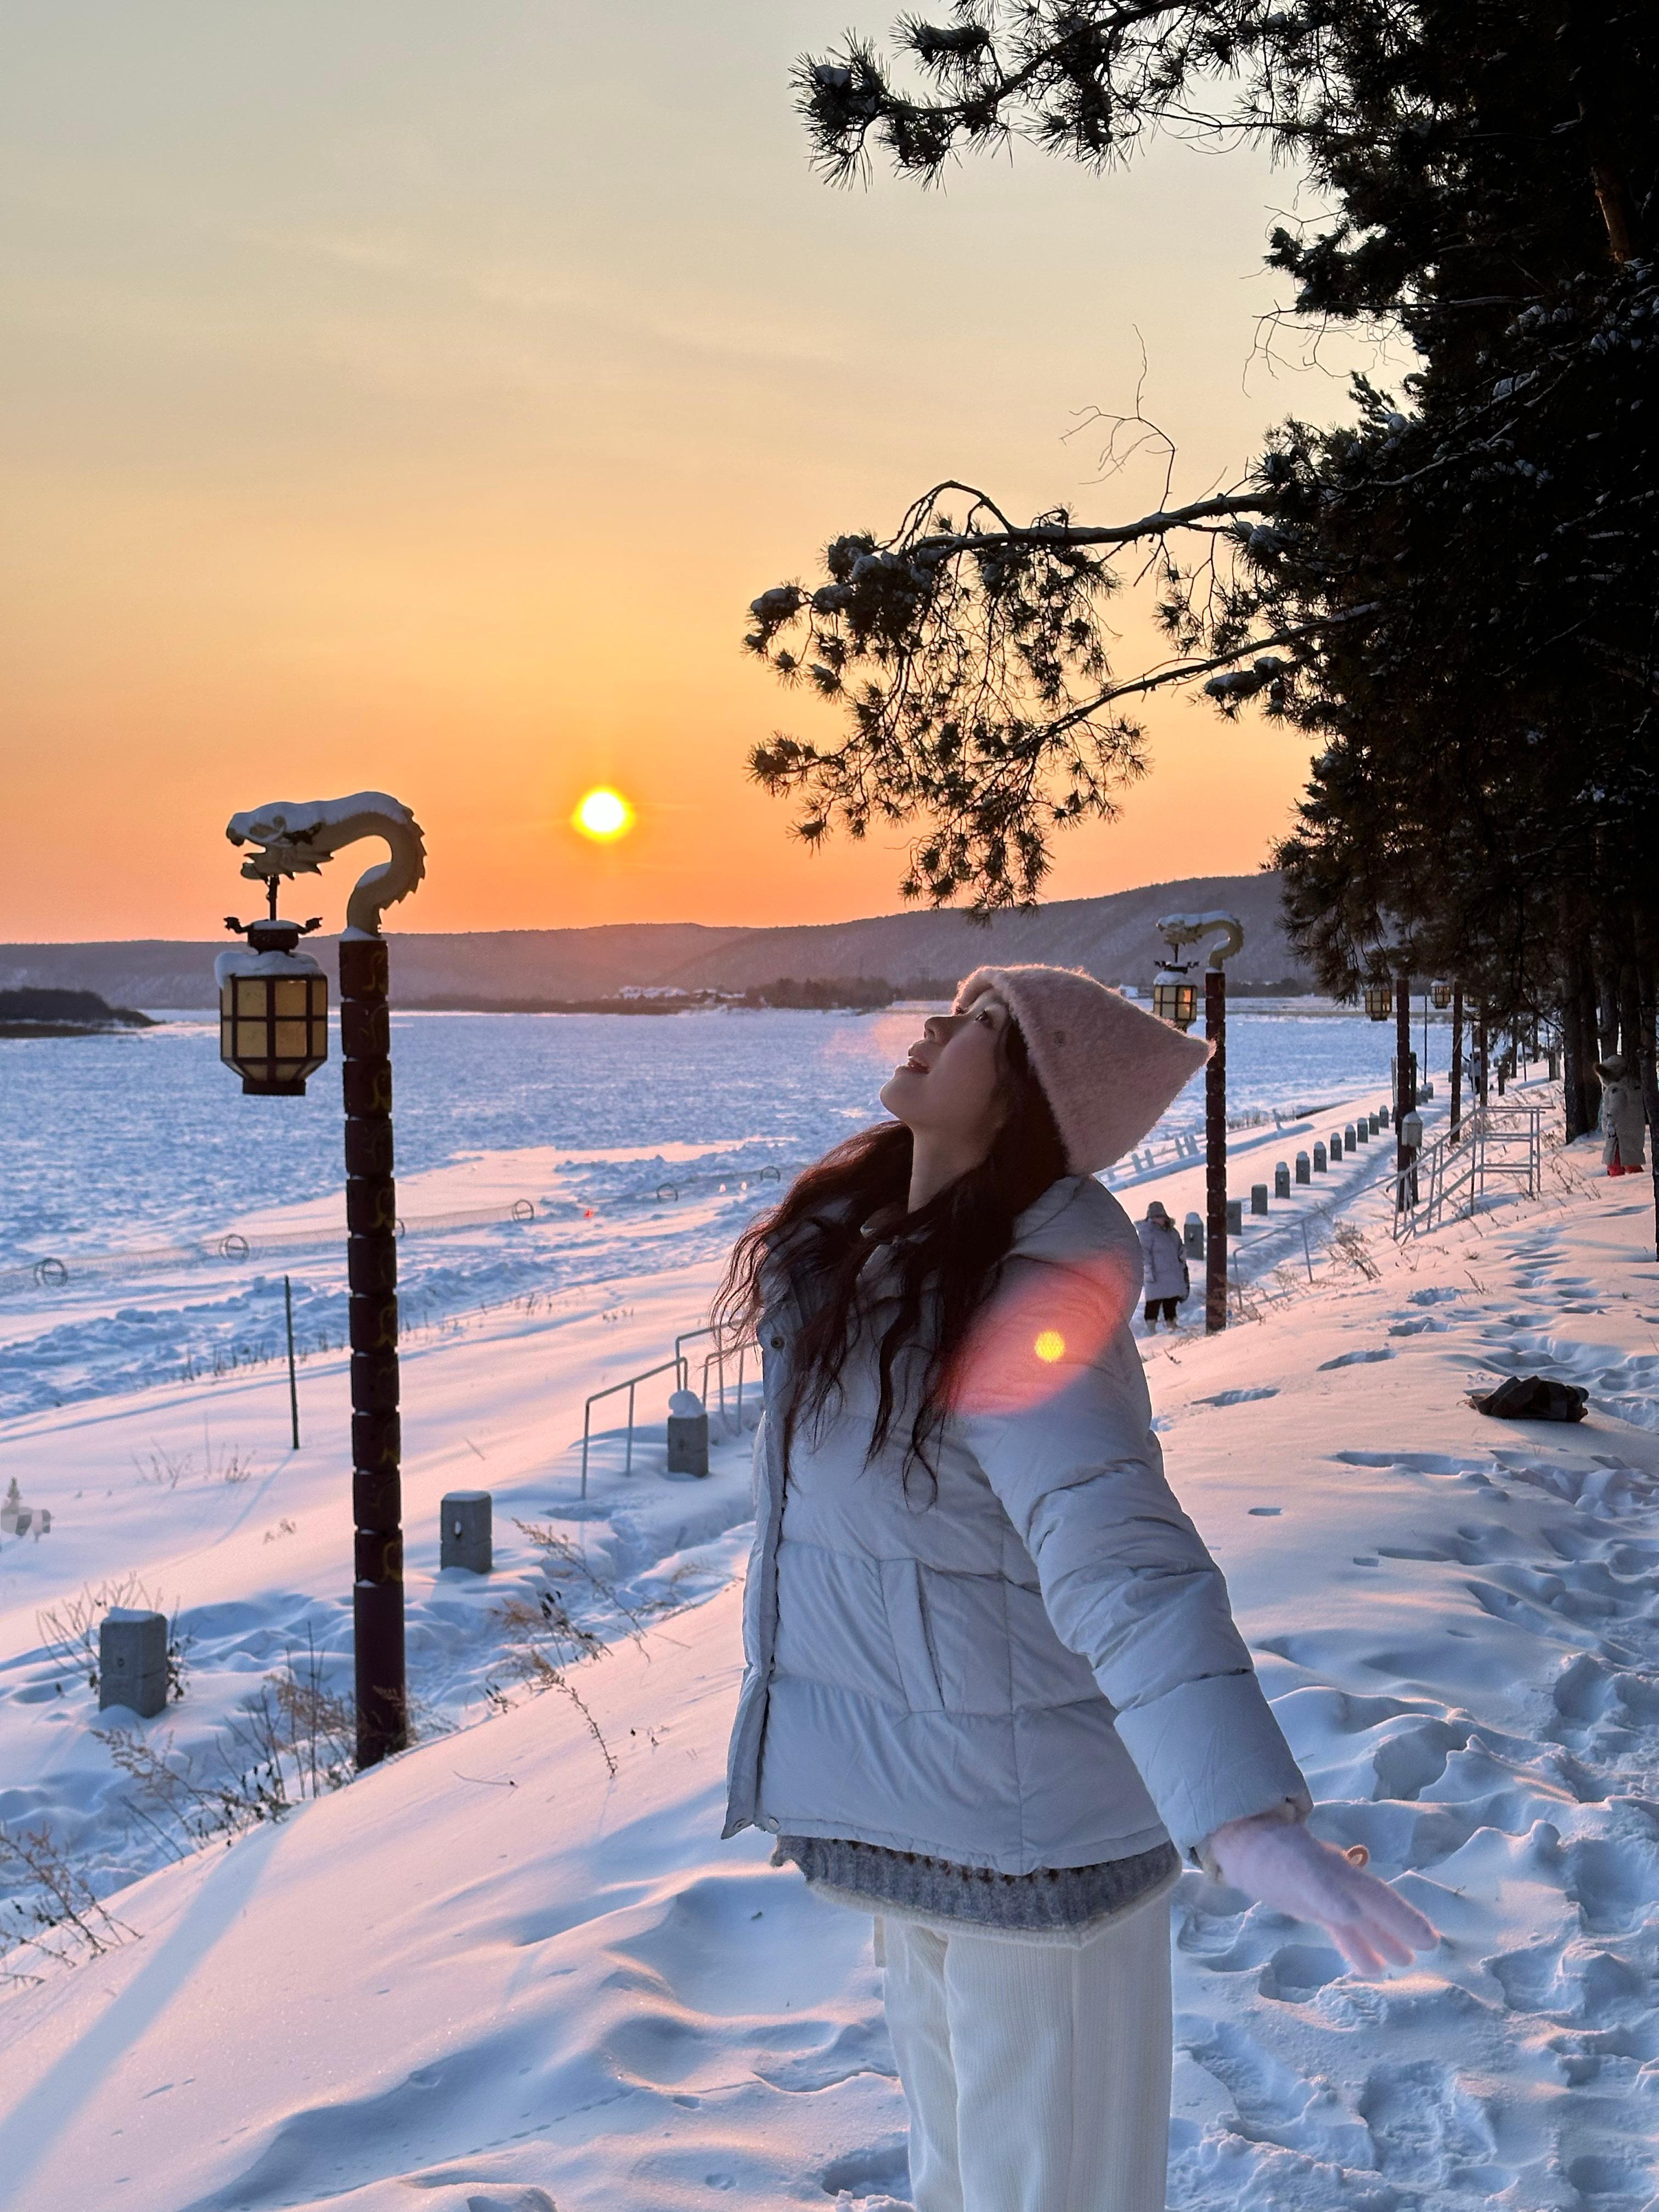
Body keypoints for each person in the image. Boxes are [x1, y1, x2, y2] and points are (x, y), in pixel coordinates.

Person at [716, 964, 1437, 2212]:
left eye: (982, 1028)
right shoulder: (877, 1265)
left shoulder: (1031, 1292)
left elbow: (1118, 1548)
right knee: (959, 2189)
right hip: (922, 1835)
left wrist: (1240, 1819)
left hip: (1039, 1854)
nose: (940, 1026)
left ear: (1028, 1098)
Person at [1136, 1198, 1187, 1329]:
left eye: (1161, 1216)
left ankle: (1172, 1324)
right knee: (1154, 1302)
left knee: (1171, 1300)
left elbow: (1179, 1247)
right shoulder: (1147, 1232)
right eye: (1156, 1217)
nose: (1159, 1219)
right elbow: (1144, 1253)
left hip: (1172, 1273)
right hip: (1157, 1275)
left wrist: (1182, 1255)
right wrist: (1147, 1272)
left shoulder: (1172, 1232)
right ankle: (1151, 1328)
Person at [1597, 1053, 1647, 1176]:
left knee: (1616, 1158)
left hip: (1619, 1133)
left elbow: (1615, 1108)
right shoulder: (1633, 1085)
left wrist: (1610, 1123)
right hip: (1633, 1129)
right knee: (1631, 1156)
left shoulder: (1617, 1089)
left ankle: (1618, 1179)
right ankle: (1634, 1175)